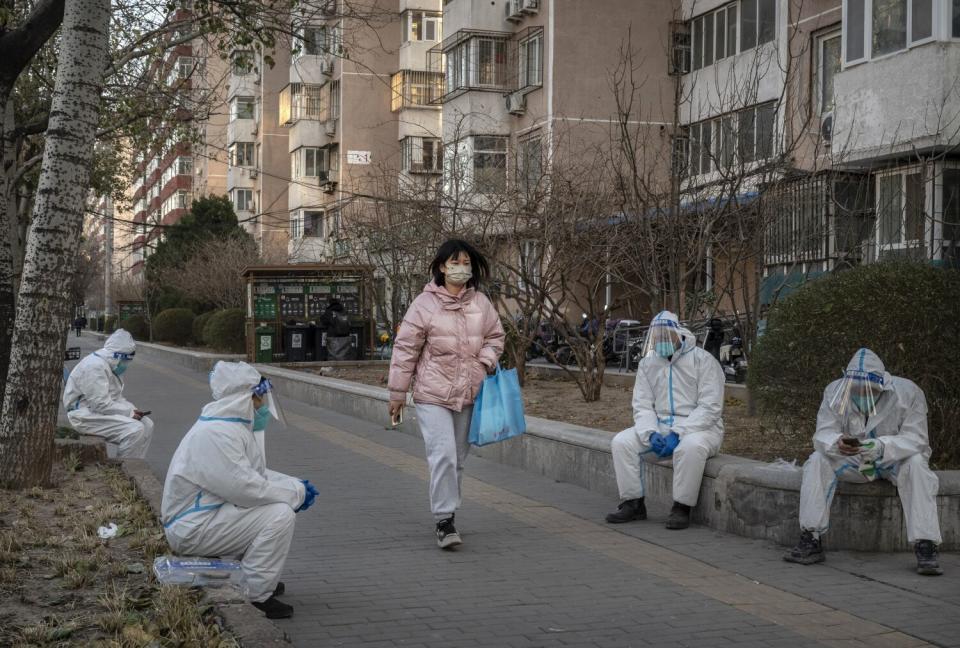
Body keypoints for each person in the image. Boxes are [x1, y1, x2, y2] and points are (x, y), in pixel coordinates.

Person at [161, 362, 318, 619]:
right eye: (259, 399)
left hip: (201, 517)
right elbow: (245, 488)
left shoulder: (227, 427)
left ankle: (257, 574)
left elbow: (253, 475)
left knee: (269, 508)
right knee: (279, 515)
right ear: (244, 398)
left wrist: (295, 485)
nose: (262, 406)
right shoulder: (217, 434)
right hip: (191, 528)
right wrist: (294, 495)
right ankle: (256, 594)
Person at [388, 239, 504, 550]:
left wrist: (485, 361)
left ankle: (449, 510)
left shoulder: (481, 303)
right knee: (443, 455)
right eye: (456, 262)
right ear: (442, 266)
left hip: (469, 392)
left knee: (458, 459)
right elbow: (405, 349)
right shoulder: (424, 305)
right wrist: (397, 392)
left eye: (467, 263)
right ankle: (444, 520)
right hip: (432, 394)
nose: (462, 268)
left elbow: (496, 337)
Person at [784, 348, 943, 575]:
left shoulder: (908, 393)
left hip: (893, 460)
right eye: (855, 390)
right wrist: (837, 442)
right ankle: (811, 537)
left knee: (917, 464)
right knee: (817, 460)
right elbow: (822, 433)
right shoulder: (834, 392)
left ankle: (926, 544)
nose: (860, 393)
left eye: (865, 389)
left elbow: (917, 439)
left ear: (881, 385)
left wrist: (882, 447)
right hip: (854, 460)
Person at [606, 311, 725, 529]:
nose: (661, 342)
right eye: (657, 338)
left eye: (665, 337)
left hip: (701, 428)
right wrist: (649, 433)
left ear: (678, 334)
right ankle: (633, 503)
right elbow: (642, 405)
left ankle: (681, 507)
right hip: (660, 425)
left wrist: (679, 432)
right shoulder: (648, 363)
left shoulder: (703, 361)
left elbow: (710, 407)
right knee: (621, 442)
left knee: (690, 447)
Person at [62, 329, 153, 458]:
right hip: (83, 416)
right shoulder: (95, 367)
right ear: (117, 356)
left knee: (147, 425)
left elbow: (115, 397)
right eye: (126, 360)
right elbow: (100, 404)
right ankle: (124, 469)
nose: (126, 364)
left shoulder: (110, 366)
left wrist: (133, 410)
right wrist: (129, 413)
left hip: (94, 411)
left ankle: (137, 464)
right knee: (134, 430)